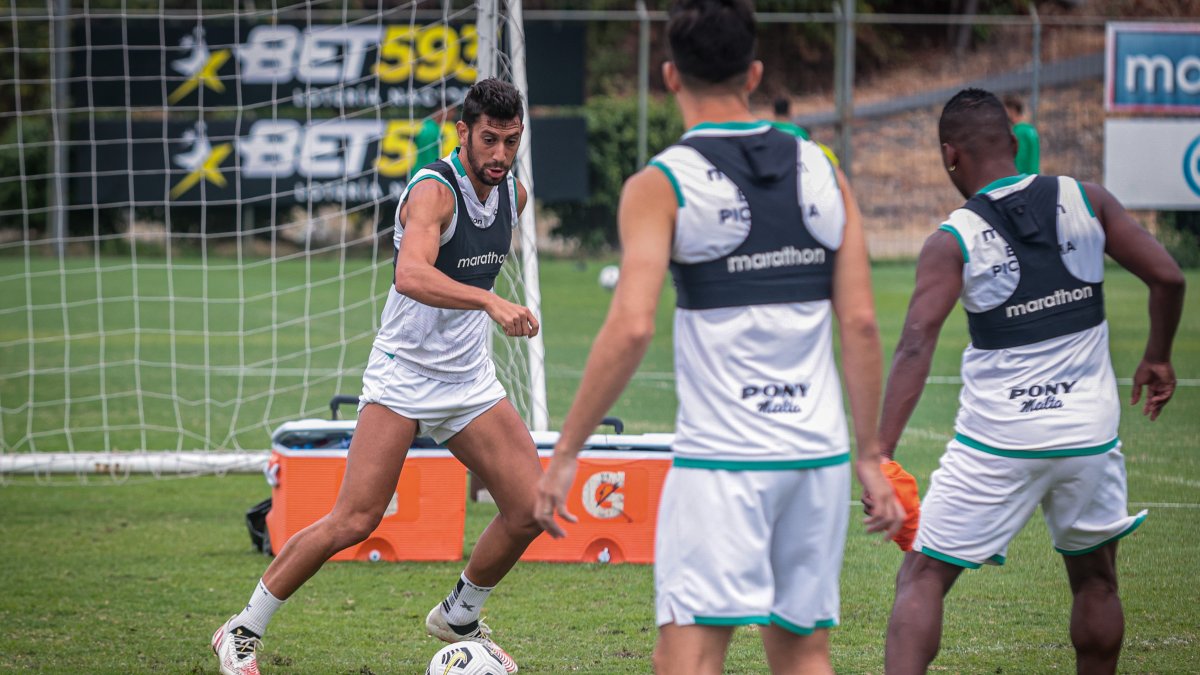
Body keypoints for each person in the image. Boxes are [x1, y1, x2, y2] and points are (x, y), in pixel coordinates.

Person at [534, 2, 906, 673]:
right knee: (803, 655)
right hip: (815, 459)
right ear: (754, 72)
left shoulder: (661, 182)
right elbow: (860, 322)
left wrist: (565, 452)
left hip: (722, 464)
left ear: (671, 77)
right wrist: (871, 455)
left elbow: (633, 323)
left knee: (690, 656)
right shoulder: (822, 168)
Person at [211, 78, 540, 675]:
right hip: (403, 375)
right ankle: (240, 629)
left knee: (530, 507)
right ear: (463, 132)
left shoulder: (512, 195)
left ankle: (459, 615)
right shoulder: (433, 193)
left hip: (467, 378)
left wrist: (484, 313)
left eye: (510, 141)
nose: (498, 155)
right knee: (356, 520)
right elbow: (411, 275)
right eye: (488, 139)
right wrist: (492, 305)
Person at [876, 88, 1184, 675]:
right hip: (1087, 435)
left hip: (996, 442)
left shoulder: (954, 237)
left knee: (922, 577)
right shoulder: (1085, 199)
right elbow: (1168, 278)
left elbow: (916, 342)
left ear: (950, 156)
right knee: (1095, 580)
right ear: (1015, 143)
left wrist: (881, 453)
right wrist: (1157, 356)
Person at [414, 102, 458, 176]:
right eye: (452, 111)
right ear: (442, 110)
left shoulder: (428, 126)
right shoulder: (432, 130)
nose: (454, 114)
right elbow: (429, 157)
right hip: (426, 174)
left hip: (422, 172)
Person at [1004, 93, 1040, 175]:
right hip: (1034, 177)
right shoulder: (1030, 129)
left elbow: (1019, 160)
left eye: (1005, 111)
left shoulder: (1018, 132)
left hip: (1023, 179)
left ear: (1012, 111)